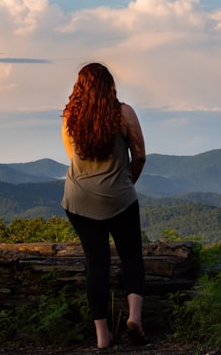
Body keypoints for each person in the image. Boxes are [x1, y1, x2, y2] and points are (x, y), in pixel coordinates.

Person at [61, 62, 147, 350]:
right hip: (119, 197)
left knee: (96, 264)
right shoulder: (123, 114)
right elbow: (141, 156)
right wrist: (126, 182)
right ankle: (134, 317)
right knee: (132, 256)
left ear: (79, 88)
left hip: (79, 199)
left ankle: (102, 335)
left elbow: (71, 156)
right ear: (109, 85)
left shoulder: (70, 117)